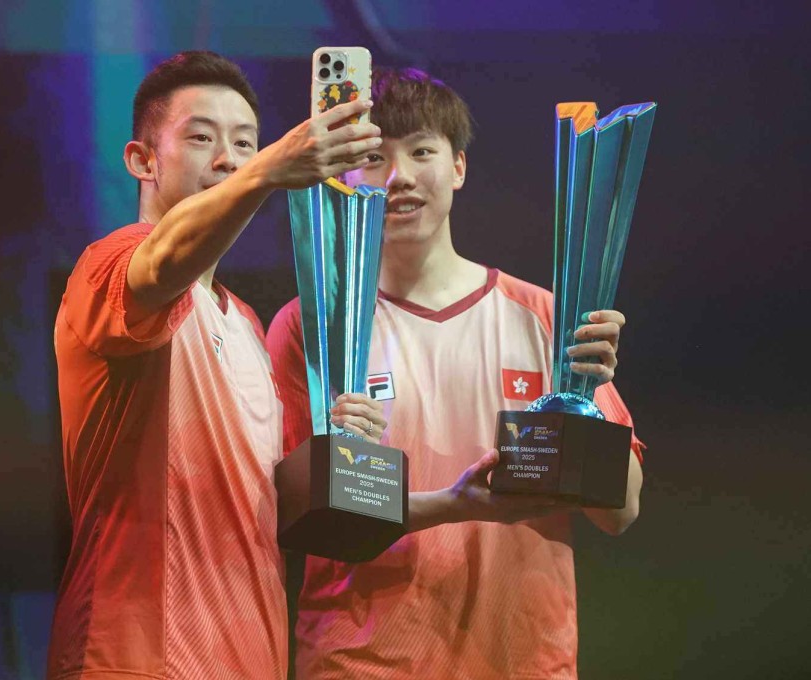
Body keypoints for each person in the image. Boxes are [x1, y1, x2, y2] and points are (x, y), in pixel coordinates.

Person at [266, 67, 645, 680]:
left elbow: (619, 512)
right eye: (374, 157)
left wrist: (589, 410)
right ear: (344, 176)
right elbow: (287, 515)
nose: (400, 177)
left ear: (459, 168)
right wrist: (342, 462)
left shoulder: (547, 318)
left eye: (421, 152)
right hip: (359, 661)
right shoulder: (310, 331)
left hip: (522, 658)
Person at [46, 51, 386, 680]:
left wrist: (342, 450)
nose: (229, 158)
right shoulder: (110, 266)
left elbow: (265, 502)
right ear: (142, 161)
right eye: (201, 138)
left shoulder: (248, 327)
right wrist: (263, 174)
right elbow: (163, 262)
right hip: (136, 655)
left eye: (245, 143)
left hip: (248, 654)